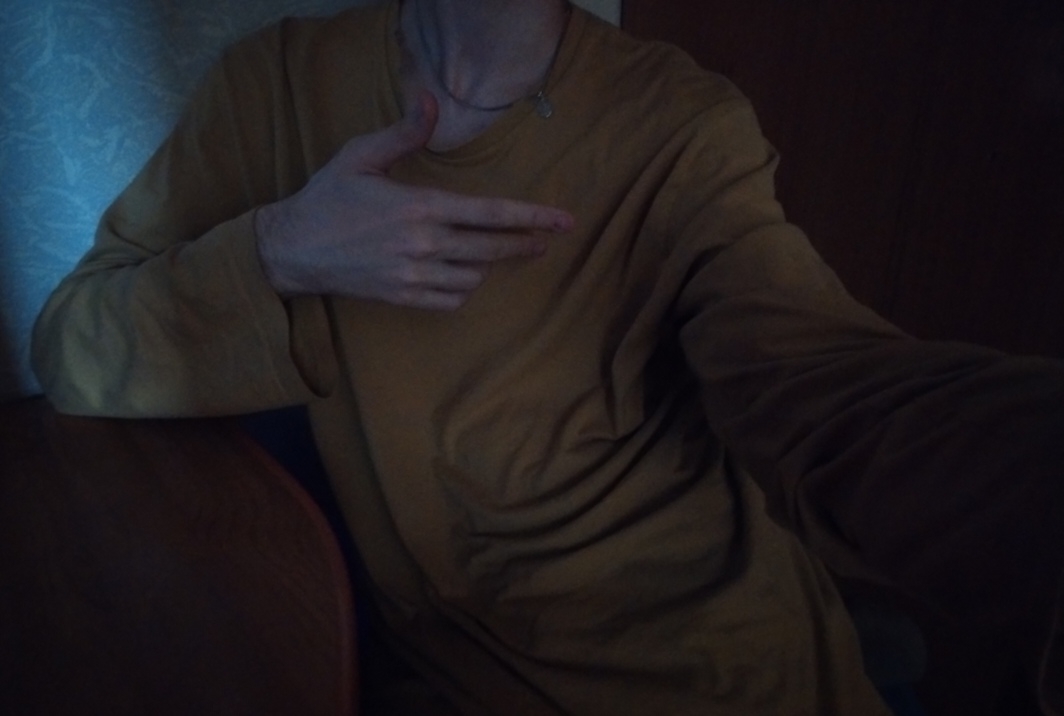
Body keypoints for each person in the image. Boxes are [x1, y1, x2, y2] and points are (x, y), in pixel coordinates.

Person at [30, 0, 1064, 714]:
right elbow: (70, 342)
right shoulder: (274, 88)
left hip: (710, 670)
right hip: (440, 669)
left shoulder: (681, 127)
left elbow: (821, 385)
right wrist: (280, 249)